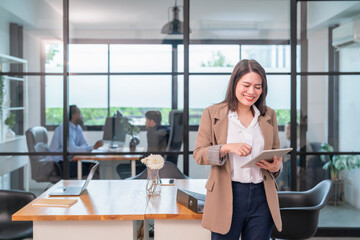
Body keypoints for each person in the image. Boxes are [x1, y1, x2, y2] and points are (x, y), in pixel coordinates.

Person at [193, 59, 282, 240]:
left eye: (258, 86)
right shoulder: (212, 113)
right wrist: (225, 148)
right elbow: (199, 154)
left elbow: (276, 155)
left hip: (262, 197)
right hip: (227, 194)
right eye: (246, 85)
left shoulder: (268, 115)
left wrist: (275, 168)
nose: (251, 92)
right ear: (234, 83)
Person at [49, 105, 104, 178]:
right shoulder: (64, 129)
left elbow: (84, 144)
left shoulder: (77, 128)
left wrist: (89, 148)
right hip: (60, 165)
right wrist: (93, 147)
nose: (82, 116)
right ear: (73, 115)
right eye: (79, 113)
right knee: (92, 169)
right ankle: (81, 188)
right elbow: (71, 150)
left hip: (71, 161)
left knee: (95, 165)